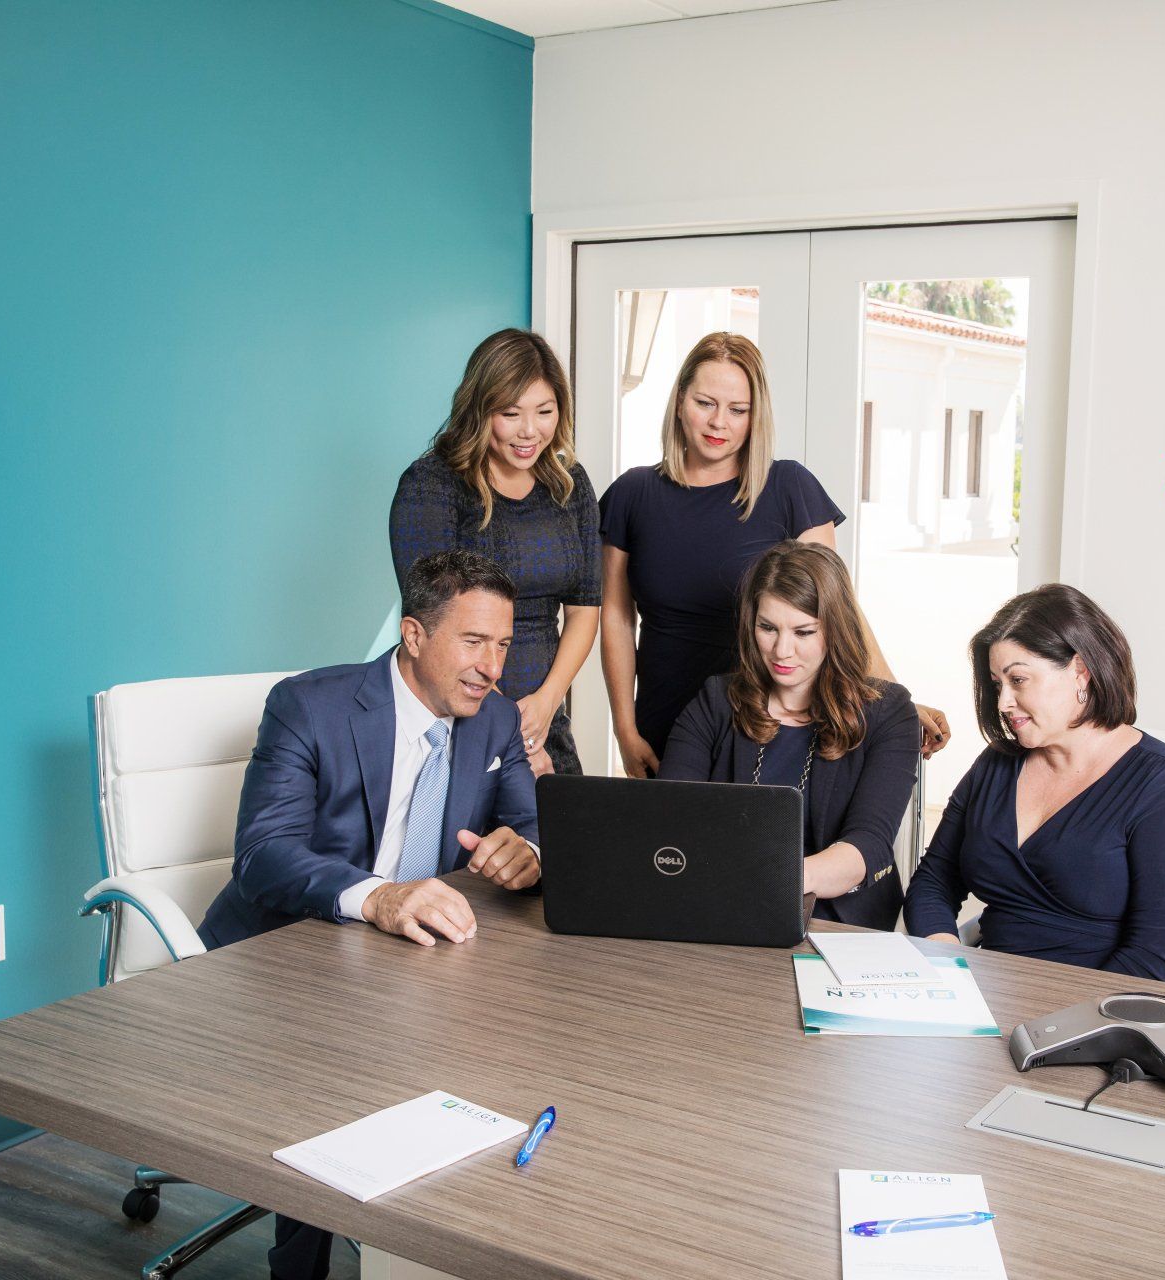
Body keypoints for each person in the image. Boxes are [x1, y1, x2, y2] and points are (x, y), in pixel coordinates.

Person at [196, 550, 541, 1280]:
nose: (493, 666)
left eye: (504, 644)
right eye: (474, 642)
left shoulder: (497, 720)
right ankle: (302, 1265)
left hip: (406, 966)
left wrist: (527, 852)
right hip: (279, 951)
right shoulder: (309, 706)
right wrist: (379, 897)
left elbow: (533, 824)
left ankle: (439, 1244)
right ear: (414, 635)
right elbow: (262, 854)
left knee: (511, 1038)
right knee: (336, 1067)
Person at [599, 331, 949, 777]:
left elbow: (838, 612)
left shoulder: (788, 487)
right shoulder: (633, 494)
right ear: (680, 400)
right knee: (672, 847)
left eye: (737, 410)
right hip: (663, 721)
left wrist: (895, 699)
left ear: (755, 414)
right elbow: (616, 616)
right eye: (705, 403)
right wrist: (624, 730)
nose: (718, 423)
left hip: (768, 725)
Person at [902, 584, 1165, 996]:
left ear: (1081, 672)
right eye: (998, 684)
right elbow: (934, 882)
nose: (1003, 702)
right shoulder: (996, 766)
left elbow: (1153, 957)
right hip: (1012, 995)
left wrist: (1046, 1019)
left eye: (1019, 680)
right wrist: (948, 964)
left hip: (1149, 1003)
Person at [659, 542, 920, 926]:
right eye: (768, 628)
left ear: (836, 628)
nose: (782, 650)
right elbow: (669, 815)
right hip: (720, 907)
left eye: (803, 631)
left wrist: (768, 879)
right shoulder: (716, 700)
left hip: (837, 923)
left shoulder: (889, 712)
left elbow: (867, 844)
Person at [390, 329, 600, 777]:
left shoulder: (570, 484)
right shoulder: (431, 486)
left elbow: (584, 611)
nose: (530, 431)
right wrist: (509, 727)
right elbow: (435, 622)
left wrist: (546, 704)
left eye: (545, 412)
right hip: (458, 715)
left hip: (544, 716)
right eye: (510, 413)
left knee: (569, 842)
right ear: (479, 410)